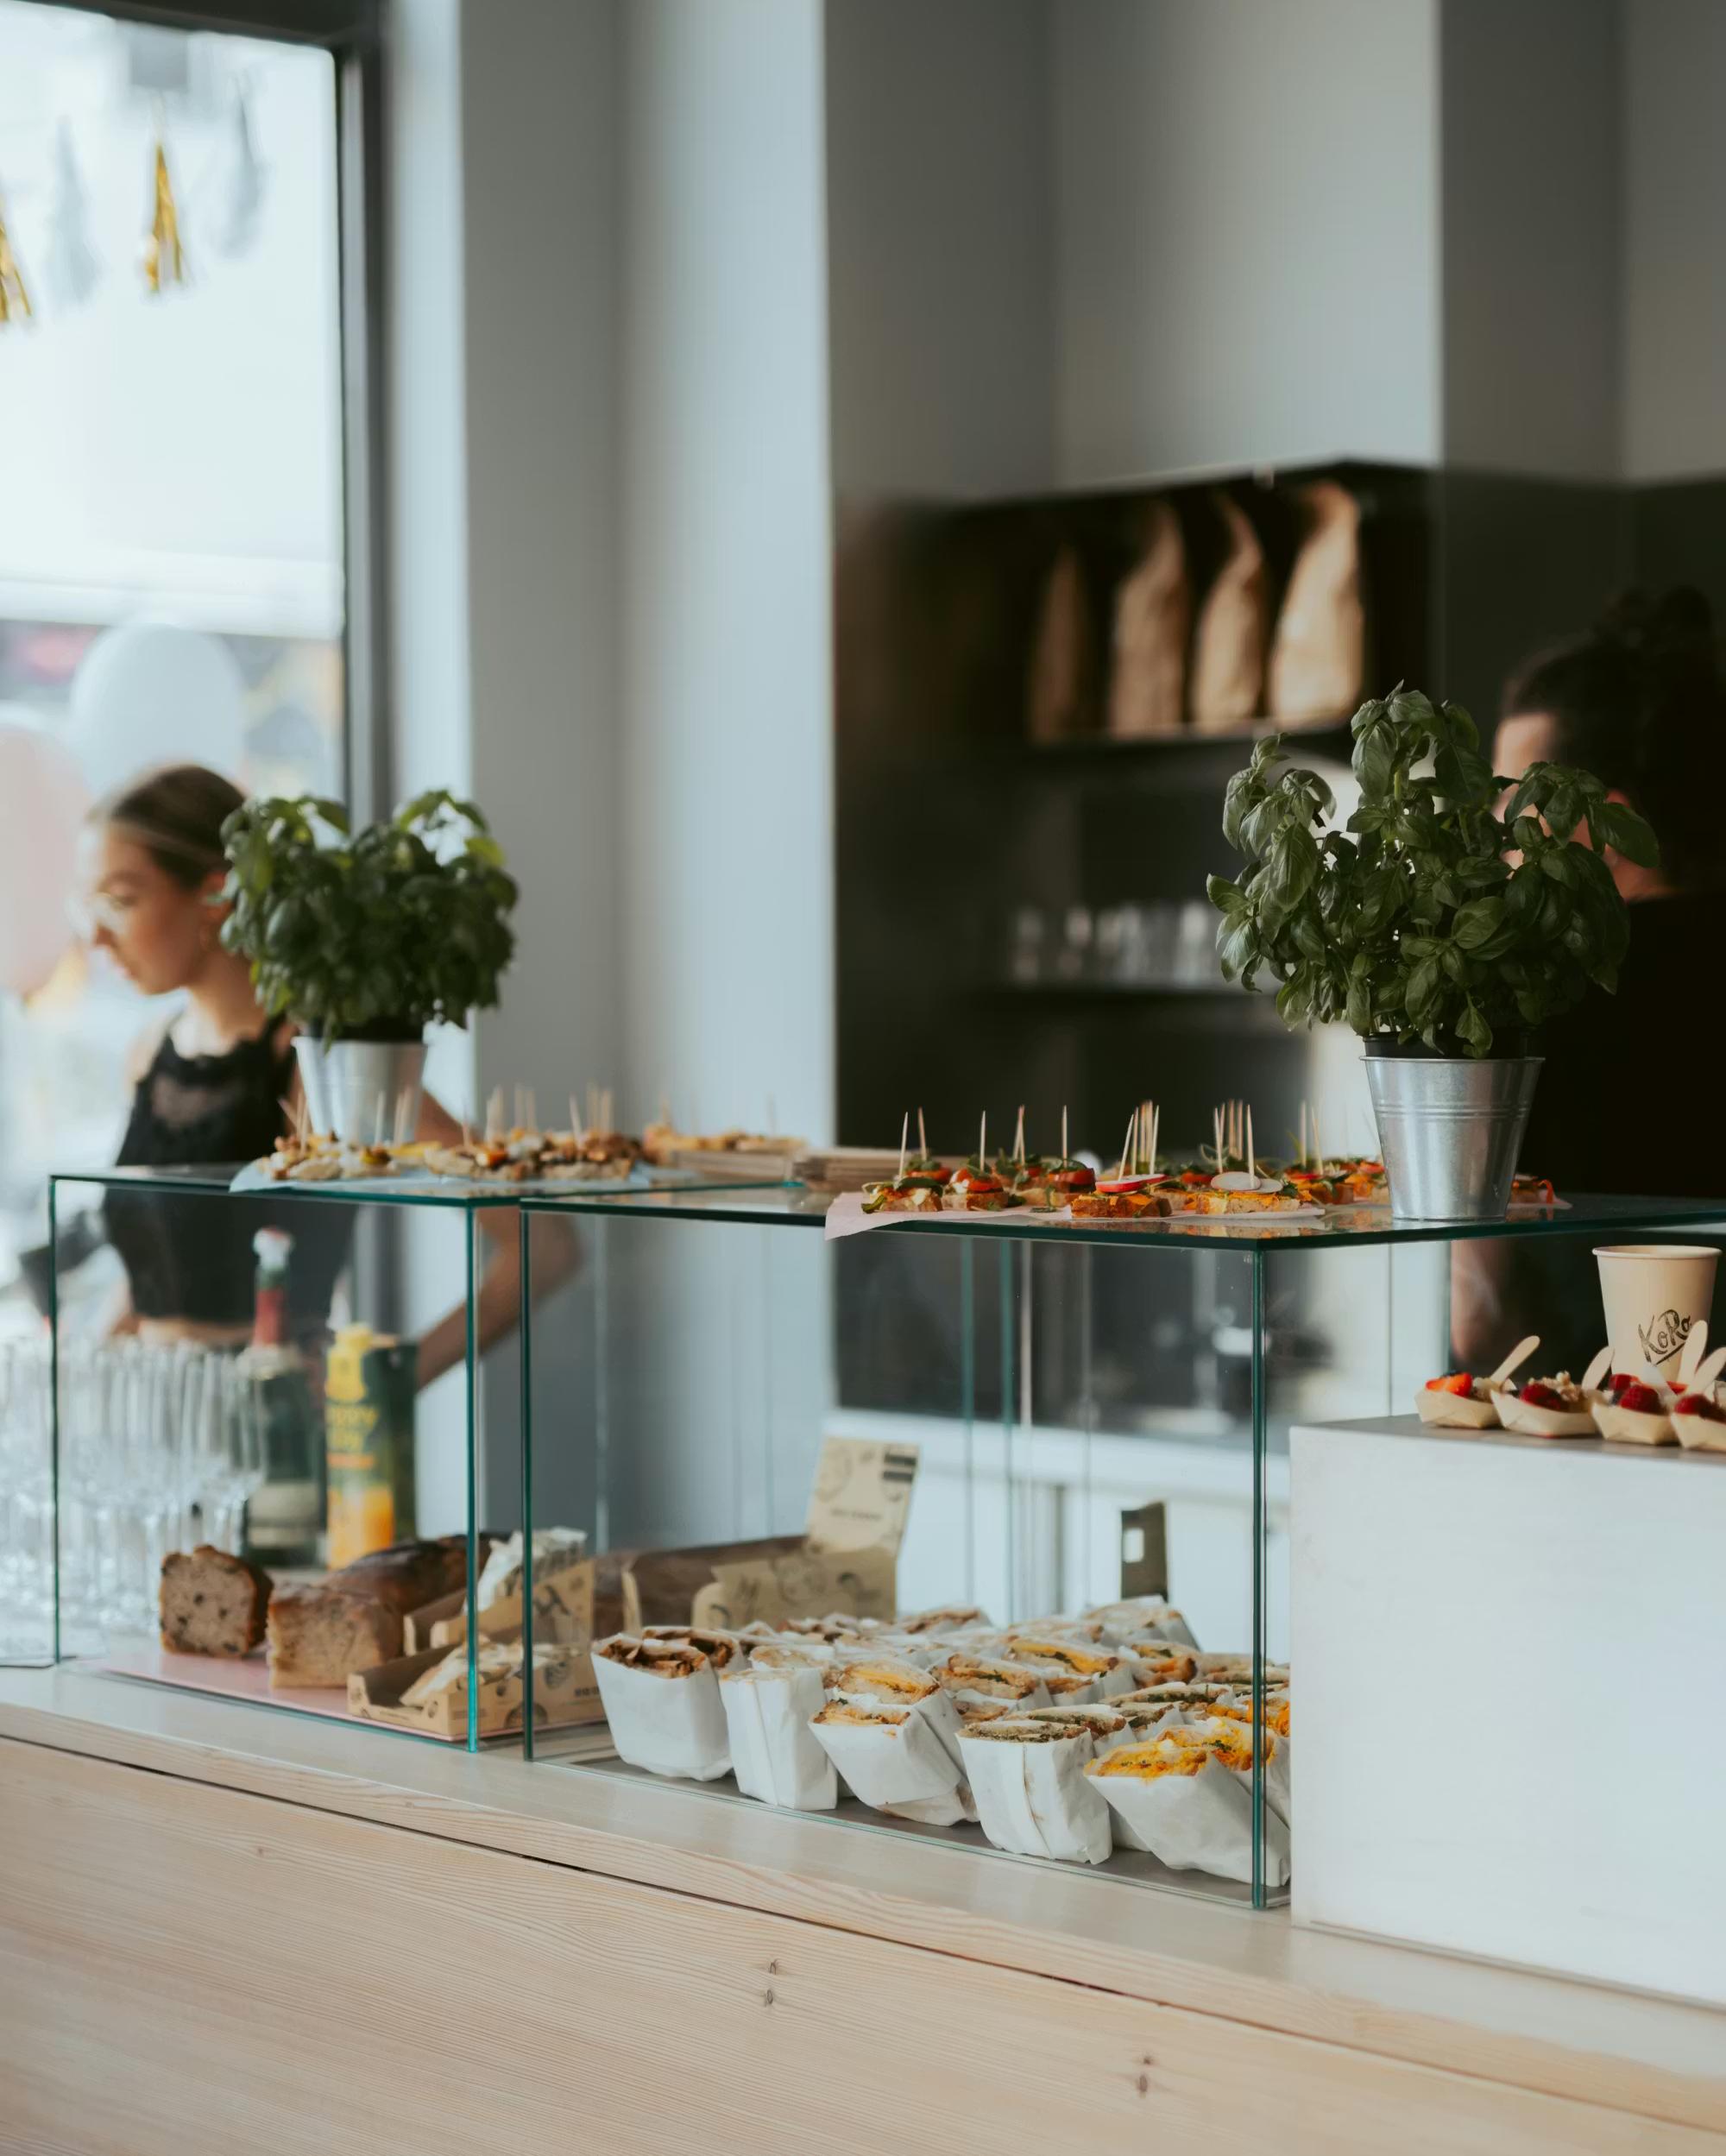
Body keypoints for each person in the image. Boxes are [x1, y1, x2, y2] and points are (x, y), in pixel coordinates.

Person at [79, 763, 567, 1385]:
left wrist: (384, 1383)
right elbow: (155, 1278)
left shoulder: (321, 1063)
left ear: (214, 895)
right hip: (157, 1438)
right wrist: (72, 1384)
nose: (94, 936)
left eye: (119, 901)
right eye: (88, 903)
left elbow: (543, 1247)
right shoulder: (149, 1054)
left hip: (280, 1444)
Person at [1453, 590, 1726, 1372]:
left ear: (1604, 828)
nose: (1499, 837)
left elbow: (1481, 1333)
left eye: (1516, 805)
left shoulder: (1530, 1000)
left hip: (1595, 1440)